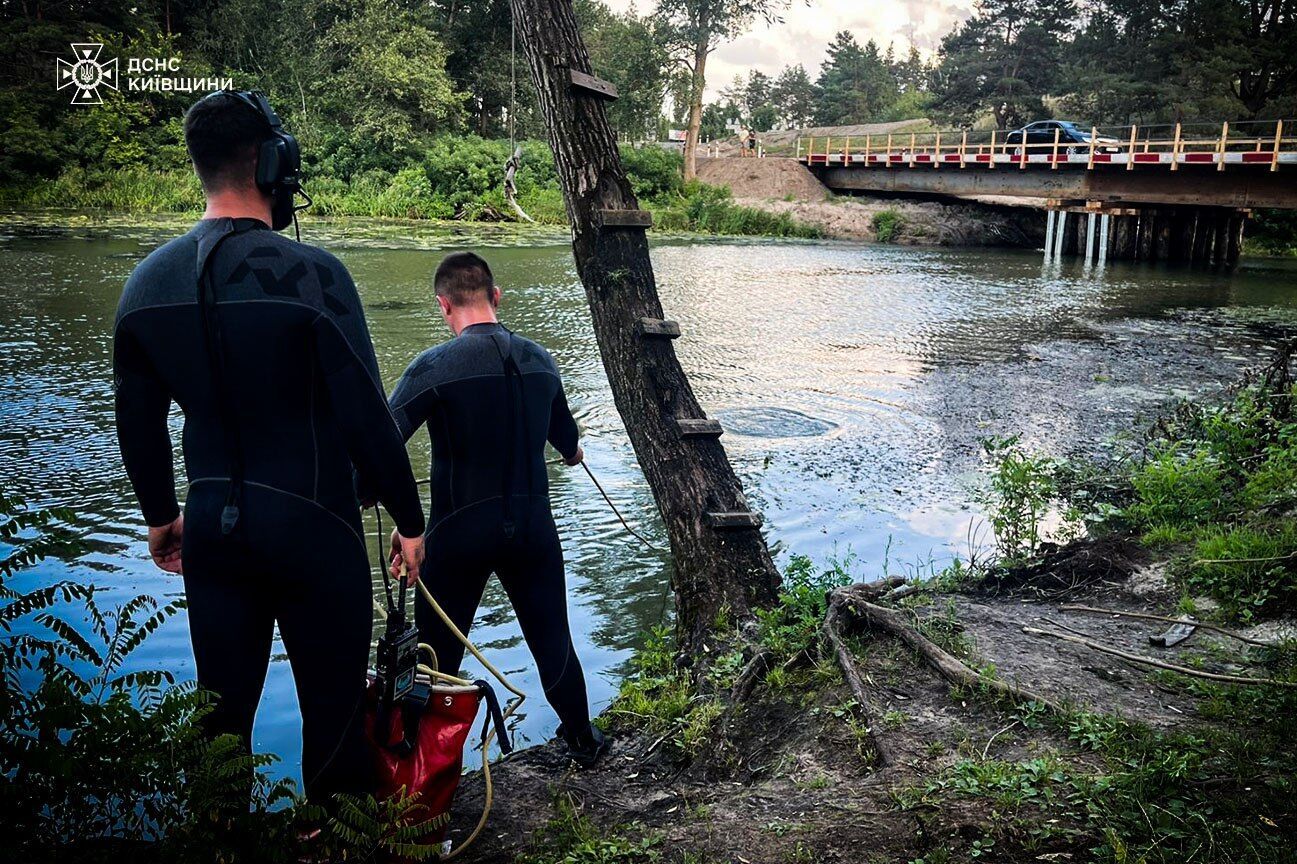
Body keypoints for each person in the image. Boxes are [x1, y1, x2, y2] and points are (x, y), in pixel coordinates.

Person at [112, 90, 426, 799]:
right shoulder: (312, 274)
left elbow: (138, 420)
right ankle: (327, 842)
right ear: (273, 162)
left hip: (214, 533)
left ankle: (220, 842)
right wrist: (409, 523)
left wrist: (161, 517)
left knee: (219, 722)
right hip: (316, 525)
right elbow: (367, 418)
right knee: (335, 717)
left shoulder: (143, 284)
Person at [386, 252, 607, 767]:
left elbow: (384, 445)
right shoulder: (540, 359)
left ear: (444, 306)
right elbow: (568, 442)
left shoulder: (434, 366)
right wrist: (572, 452)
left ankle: (420, 779)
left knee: (435, 662)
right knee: (553, 640)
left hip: (458, 532)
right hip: (531, 530)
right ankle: (584, 743)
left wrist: (397, 515)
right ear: (496, 297)